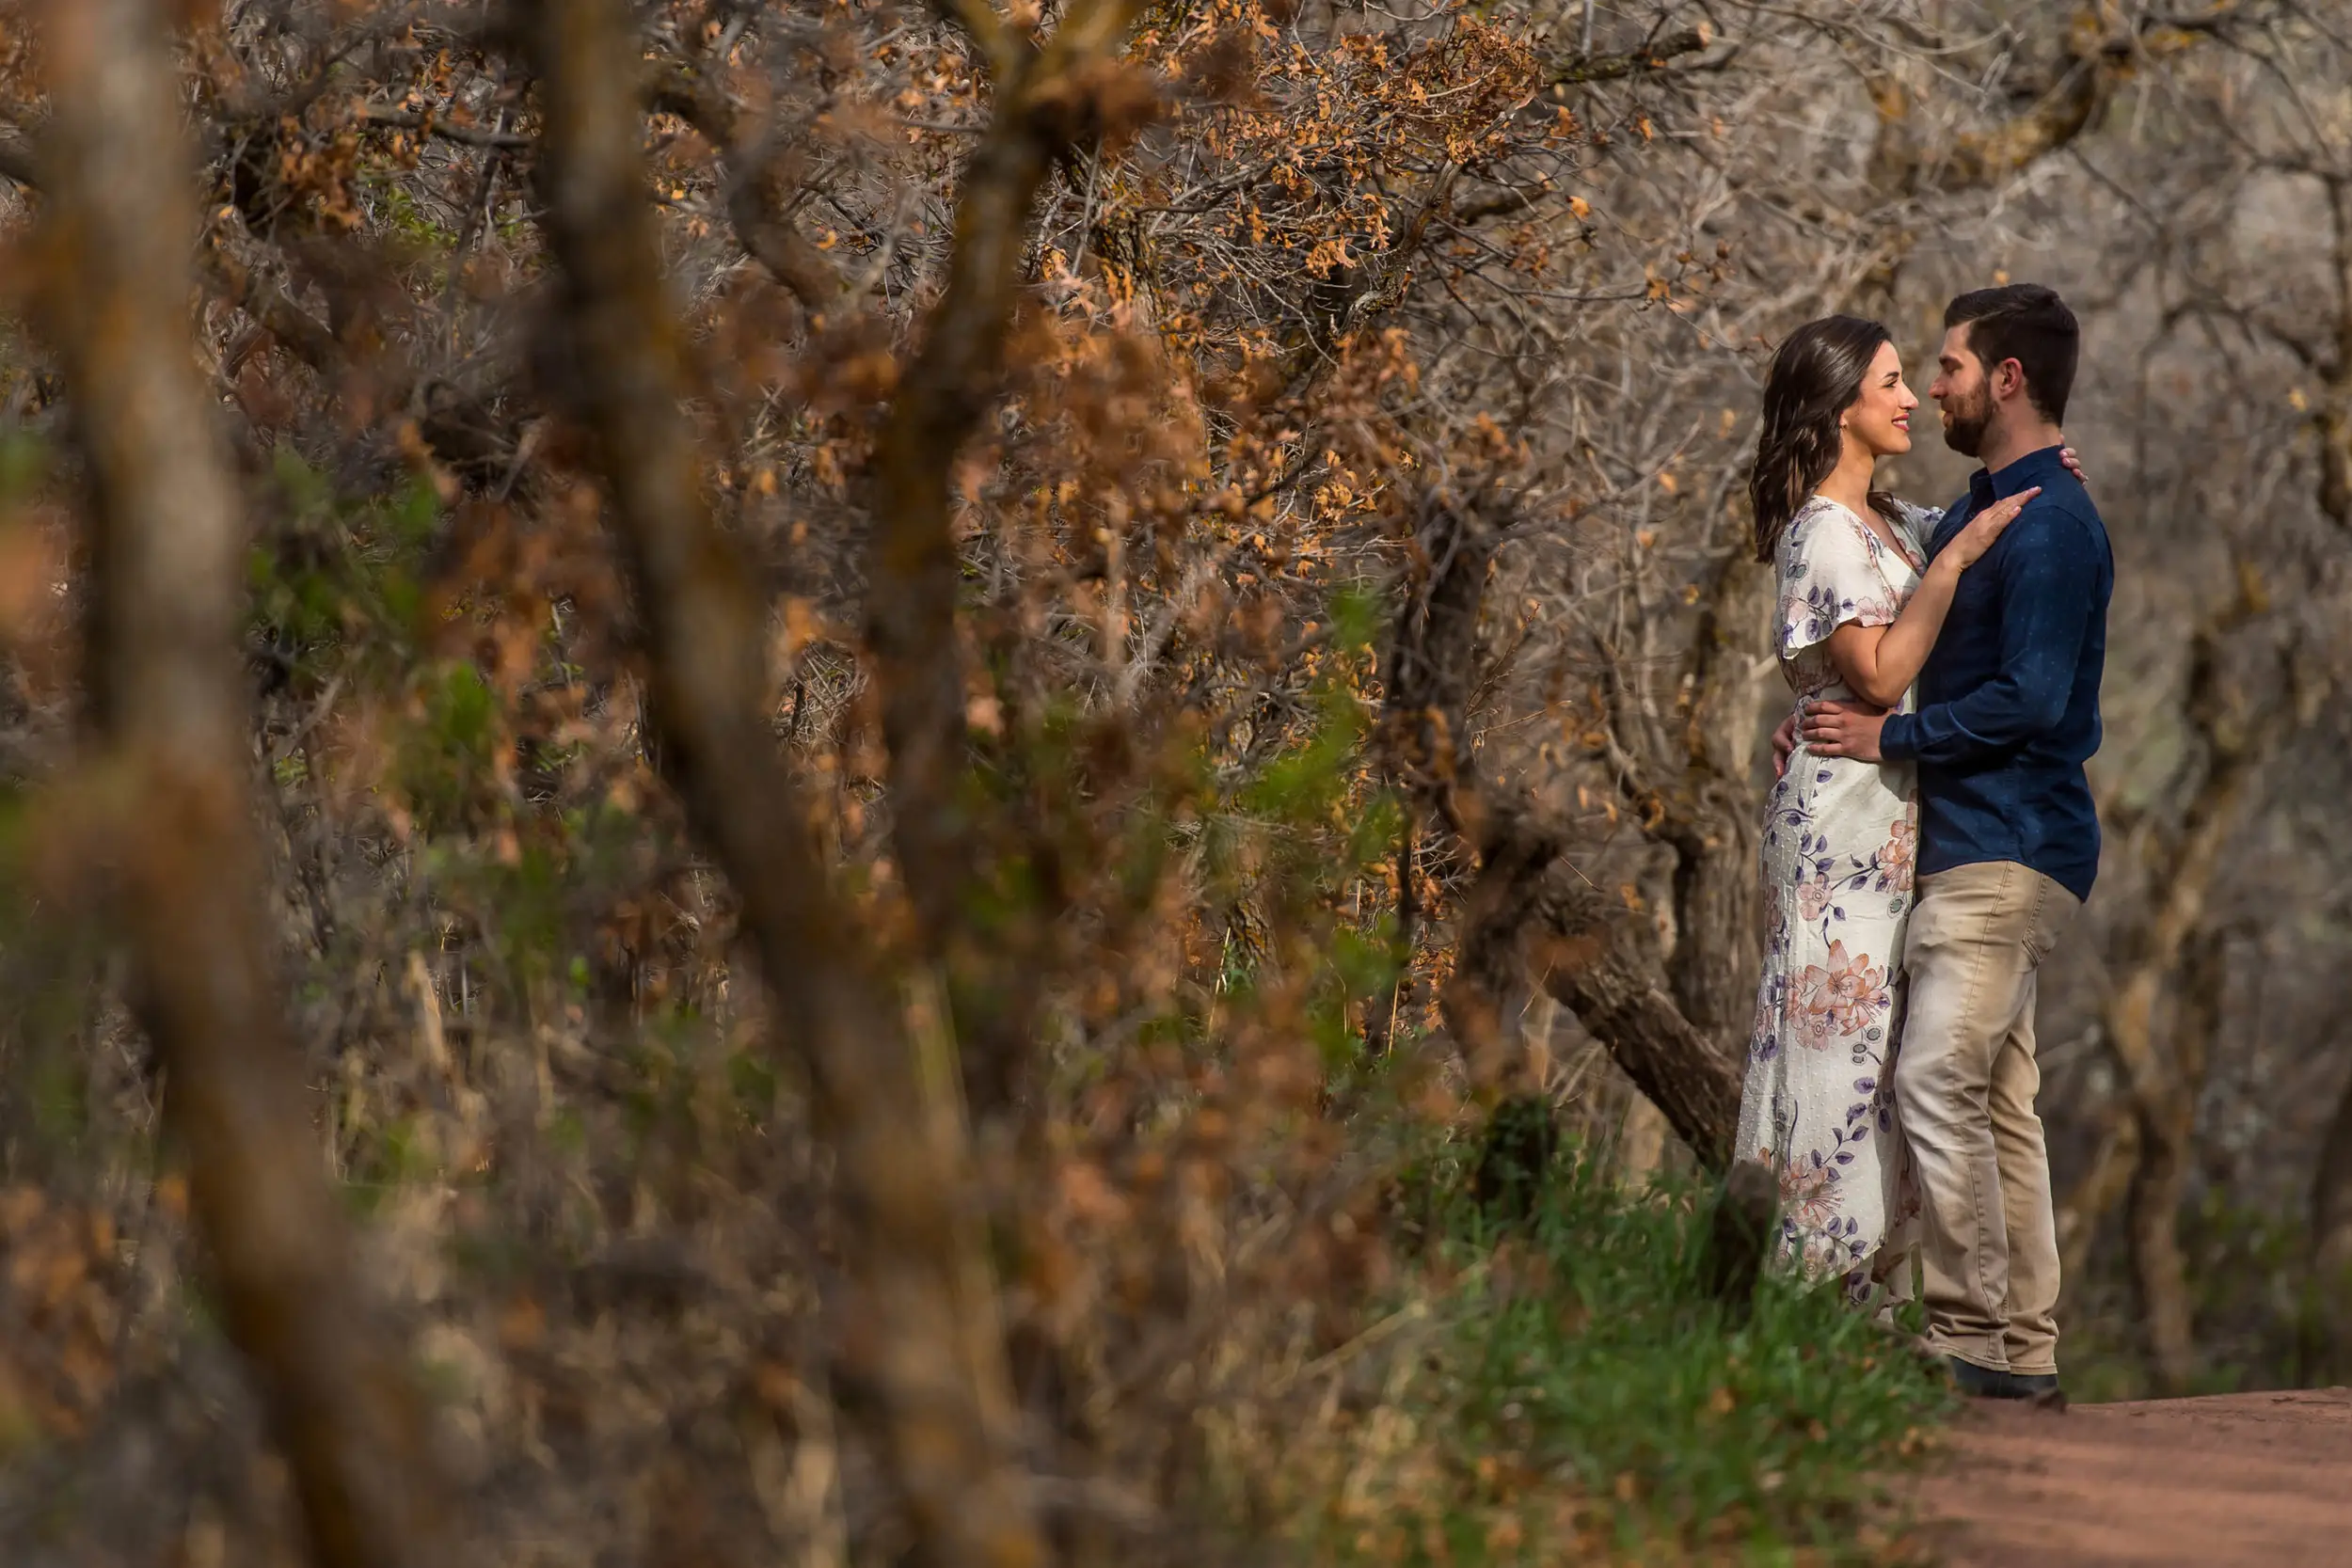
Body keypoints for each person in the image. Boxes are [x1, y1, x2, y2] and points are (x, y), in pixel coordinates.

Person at [1800, 285, 2112, 1403]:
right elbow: (1897, 535)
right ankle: (2021, 1346)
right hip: (1991, 843)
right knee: (1995, 1099)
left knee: (1935, 1073)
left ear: (2006, 380)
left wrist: (1895, 733)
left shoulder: (2051, 525)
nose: (1932, 387)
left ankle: (1973, 1335)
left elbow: (2029, 700)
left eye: (1946, 367)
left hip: (2005, 845)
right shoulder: (2002, 504)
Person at [1738, 314, 2043, 1308]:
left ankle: (1859, 1283)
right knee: (1830, 1043)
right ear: (1838, 408)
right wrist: (1952, 568)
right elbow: (1874, 674)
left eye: (1915, 378)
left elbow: (1953, 538)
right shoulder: (1821, 532)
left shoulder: (1885, 517)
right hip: (1835, 827)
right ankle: (1804, 1281)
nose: (1911, 397)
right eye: (1891, 381)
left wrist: (2026, 468)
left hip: (1886, 820)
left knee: (1876, 1053)